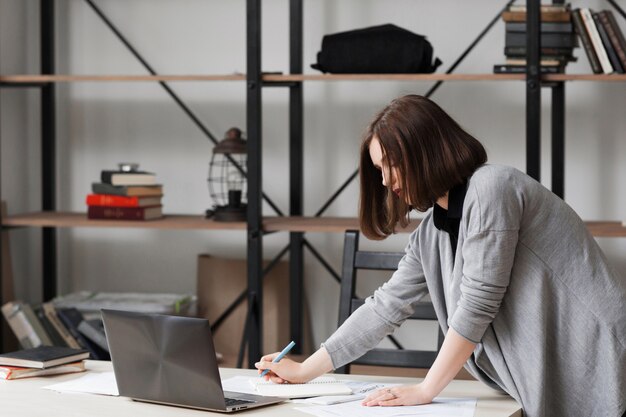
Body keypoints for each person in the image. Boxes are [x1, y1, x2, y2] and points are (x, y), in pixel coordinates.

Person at [254, 95, 626, 417]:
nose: (384, 180)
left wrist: (425, 389)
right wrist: (305, 371)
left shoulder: (493, 188)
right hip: (554, 369)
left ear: (424, 151)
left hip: (599, 356)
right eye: (378, 169)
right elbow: (385, 306)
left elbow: (479, 302)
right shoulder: (432, 229)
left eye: (390, 164)